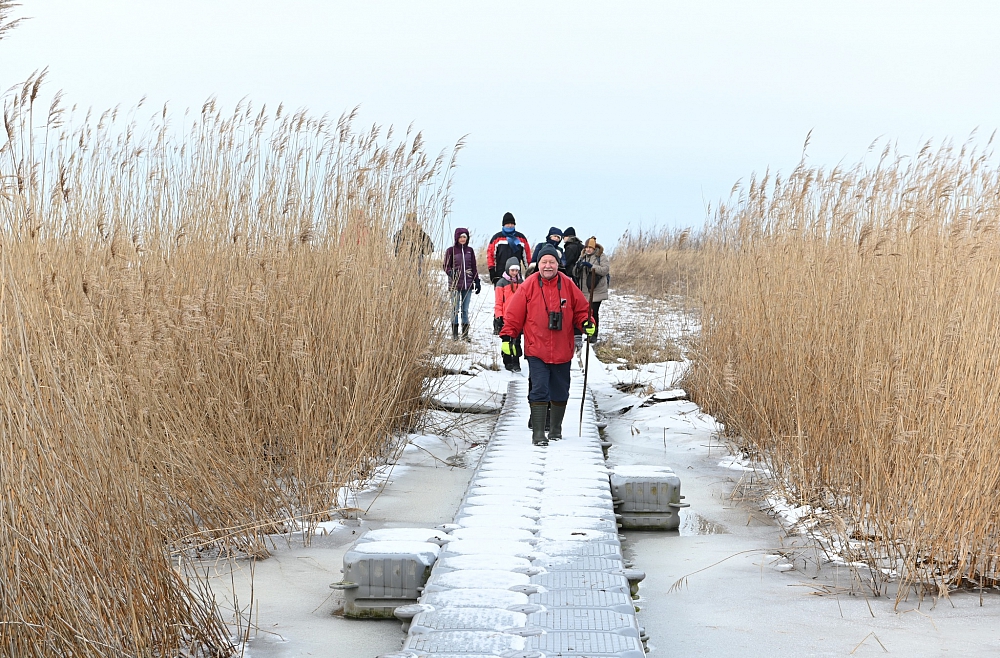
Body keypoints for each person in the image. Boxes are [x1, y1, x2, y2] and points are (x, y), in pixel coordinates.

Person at [500, 244, 596, 446]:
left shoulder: (568, 284)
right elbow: (514, 315)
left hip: (562, 349)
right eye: (544, 262)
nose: (548, 266)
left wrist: (588, 324)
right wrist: (508, 338)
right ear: (539, 265)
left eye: (552, 261)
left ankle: (555, 429)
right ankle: (538, 434)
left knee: (561, 390)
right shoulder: (529, 285)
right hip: (536, 348)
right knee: (540, 388)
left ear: (557, 264)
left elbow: (582, 312)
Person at [443, 227, 481, 341]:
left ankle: (465, 334)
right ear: (456, 237)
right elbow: (445, 265)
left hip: (467, 285)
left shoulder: (470, 250)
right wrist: (450, 272)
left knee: (465, 309)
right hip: (455, 285)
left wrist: (477, 281)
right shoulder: (451, 250)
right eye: (460, 237)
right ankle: (455, 335)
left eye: (464, 237)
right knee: (455, 309)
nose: (462, 239)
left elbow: (473, 267)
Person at [572, 236, 610, 343]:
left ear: (594, 248)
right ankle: (587, 332)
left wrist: (591, 266)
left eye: (590, 247)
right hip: (584, 291)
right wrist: (578, 268)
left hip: (596, 290)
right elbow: (575, 273)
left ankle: (594, 334)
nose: (588, 249)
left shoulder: (600, 256)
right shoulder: (582, 257)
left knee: (594, 312)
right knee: (586, 312)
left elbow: (605, 270)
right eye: (586, 247)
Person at [493, 257, 524, 372]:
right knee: (507, 341)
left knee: (517, 341)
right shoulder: (501, 283)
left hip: (518, 316)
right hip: (506, 317)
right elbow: (498, 302)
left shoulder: (521, 282)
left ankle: (516, 361)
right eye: (512, 270)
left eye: (517, 270)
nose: (515, 273)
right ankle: (507, 360)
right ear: (507, 269)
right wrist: (498, 316)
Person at [486, 212, 532, 284]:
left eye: (512, 224)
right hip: (500, 274)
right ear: (503, 225)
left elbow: (527, 256)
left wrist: (530, 271)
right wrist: (492, 271)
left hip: (516, 274)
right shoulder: (497, 238)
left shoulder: (521, 238)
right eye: (507, 224)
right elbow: (490, 255)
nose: (510, 226)